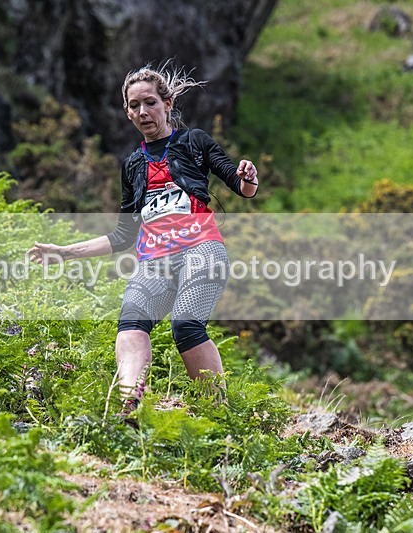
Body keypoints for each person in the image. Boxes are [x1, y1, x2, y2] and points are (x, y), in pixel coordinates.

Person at [27, 63, 258, 417]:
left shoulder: (194, 141)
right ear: (127, 112)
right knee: (130, 326)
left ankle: (217, 413)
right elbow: (124, 235)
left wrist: (248, 177)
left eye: (150, 102)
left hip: (201, 248)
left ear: (167, 103)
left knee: (186, 324)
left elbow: (240, 187)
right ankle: (128, 408)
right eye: (134, 106)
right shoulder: (133, 164)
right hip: (154, 260)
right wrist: (64, 253)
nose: (143, 112)